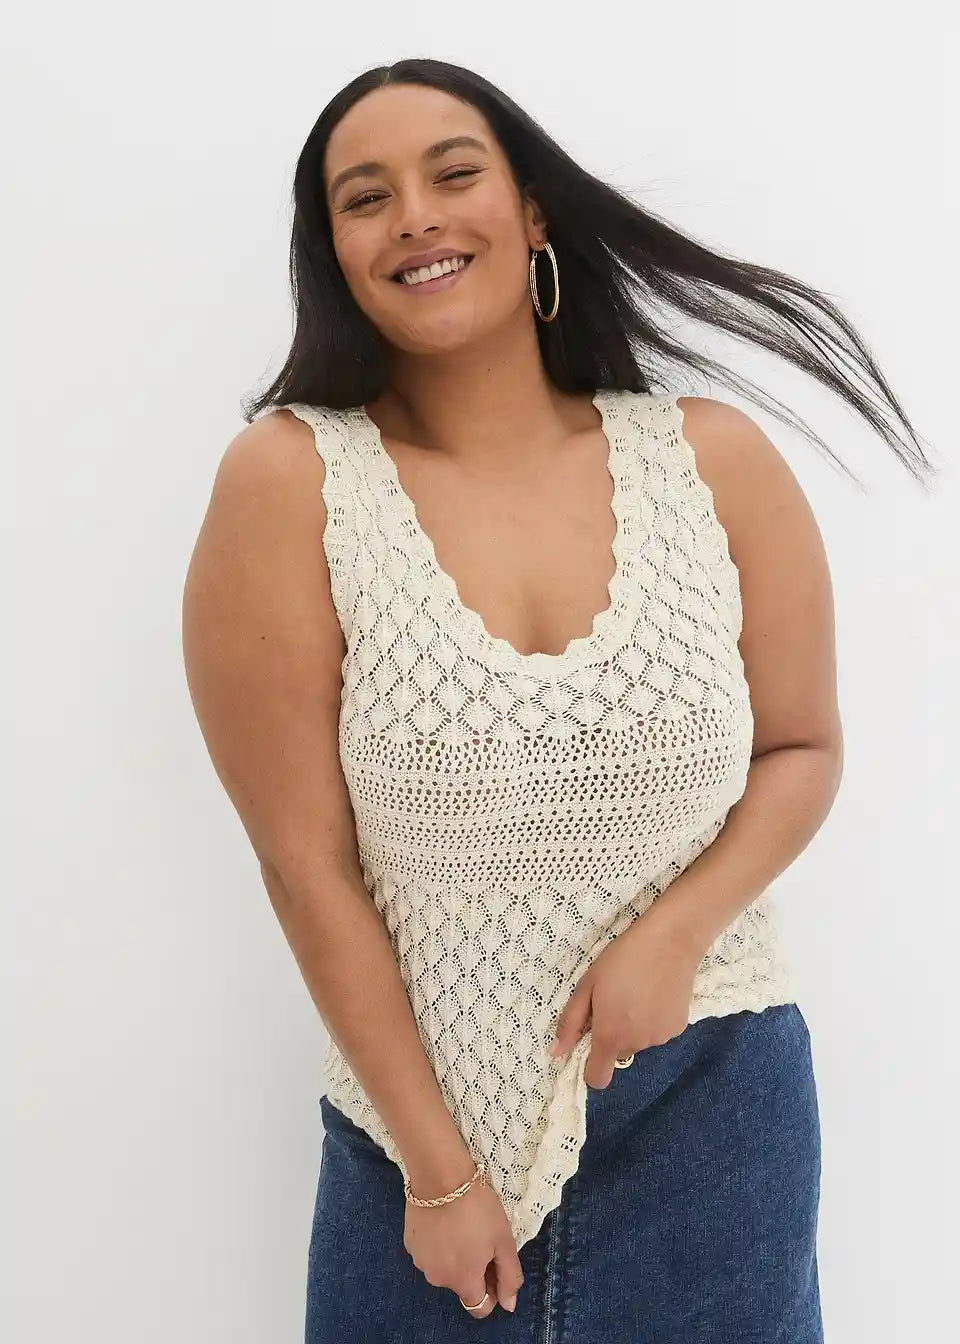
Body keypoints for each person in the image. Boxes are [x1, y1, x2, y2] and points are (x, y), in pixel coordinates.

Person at [181, 57, 934, 1343]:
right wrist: (436, 1173)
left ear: (532, 212)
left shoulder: (714, 461)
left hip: (716, 1113)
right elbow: (304, 864)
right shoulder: (291, 481)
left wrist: (674, 936)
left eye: (453, 173)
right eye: (366, 198)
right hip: (415, 1149)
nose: (415, 215)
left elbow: (803, 747)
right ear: (335, 253)